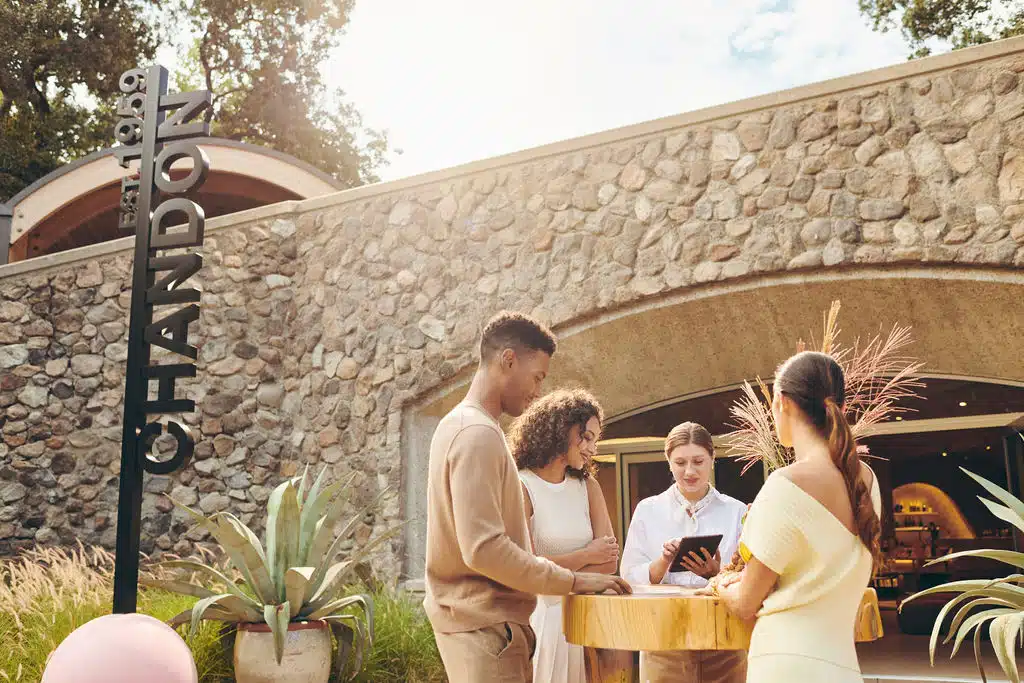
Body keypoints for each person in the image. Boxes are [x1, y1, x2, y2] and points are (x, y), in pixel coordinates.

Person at [423, 311, 631, 683]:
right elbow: (484, 549)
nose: (538, 392)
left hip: (485, 629)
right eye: (537, 377)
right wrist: (573, 580)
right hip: (487, 632)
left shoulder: (459, 426)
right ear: (508, 360)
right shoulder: (477, 434)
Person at [717, 351, 882, 683]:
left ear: (782, 402)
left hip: (784, 665)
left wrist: (721, 584)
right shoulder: (867, 481)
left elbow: (746, 602)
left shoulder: (785, 486)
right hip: (843, 667)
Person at [620, 421, 748, 683]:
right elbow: (629, 577)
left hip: (723, 640)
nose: (689, 471)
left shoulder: (736, 511)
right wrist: (663, 561)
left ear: (713, 459)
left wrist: (716, 574)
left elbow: (750, 579)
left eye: (698, 461)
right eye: (680, 463)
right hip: (663, 640)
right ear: (668, 462)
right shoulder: (648, 510)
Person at [509, 389, 620, 683]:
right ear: (562, 431)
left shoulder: (588, 487)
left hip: (584, 617)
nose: (592, 448)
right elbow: (525, 565)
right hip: (543, 620)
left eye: (595, 440)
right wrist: (586, 556)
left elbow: (609, 563)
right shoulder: (522, 486)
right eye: (587, 437)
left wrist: (557, 569)